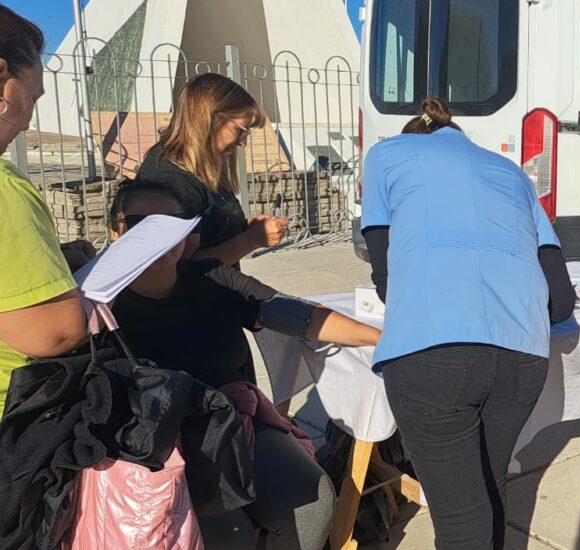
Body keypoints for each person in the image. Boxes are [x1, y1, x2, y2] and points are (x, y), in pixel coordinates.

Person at [106, 181, 381, 550]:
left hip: (228, 421)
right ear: (115, 230)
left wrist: (384, 337)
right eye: (143, 221)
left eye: (173, 223)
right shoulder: (96, 302)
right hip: (147, 441)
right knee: (225, 529)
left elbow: (295, 315)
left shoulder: (209, 277)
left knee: (310, 499)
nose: (160, 234)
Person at [361, 97, 576, 549]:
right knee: (487, 491)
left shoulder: (384, 156)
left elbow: (385, 279)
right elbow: (561, 300)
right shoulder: (513, 174)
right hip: (521, 356)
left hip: (432, 354)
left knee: (461, 519)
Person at [0, 4, 92, 417]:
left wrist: (55, 262)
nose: (27, 120)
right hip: (15, 425)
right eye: (32, 95)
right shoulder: (4, 189)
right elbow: (53, 332)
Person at [138, 73, 288, 267]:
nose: (243, 143)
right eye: (240, 131)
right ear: (210, 120)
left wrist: (246, 228)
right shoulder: (172, 180)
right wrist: (252, 239)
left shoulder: (199, 167)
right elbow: (184, 268)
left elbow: (211, 228)